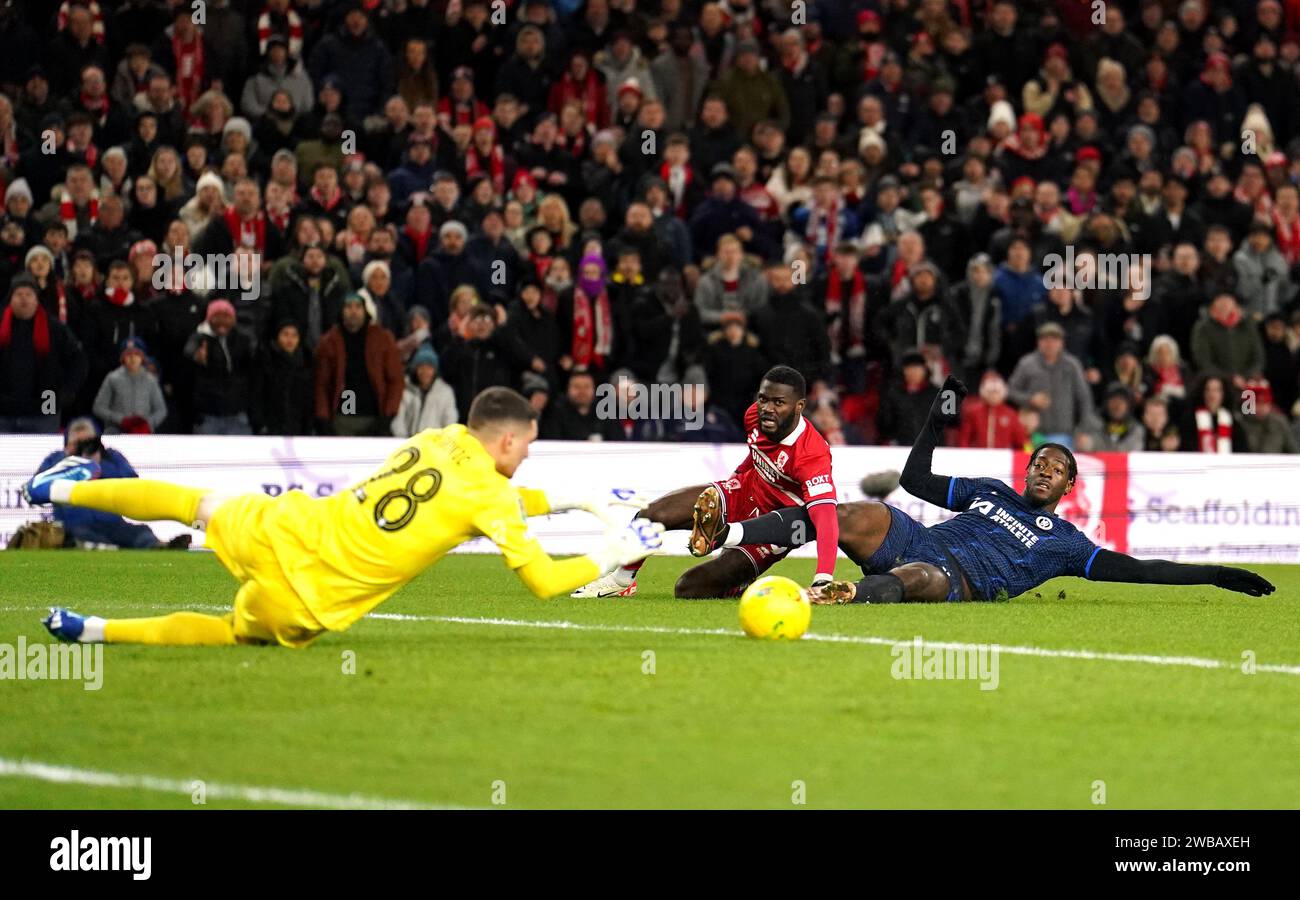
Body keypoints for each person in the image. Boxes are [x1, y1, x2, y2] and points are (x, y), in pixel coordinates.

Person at [32, 388, 665, 648]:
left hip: (287, 525)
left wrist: (578, 500)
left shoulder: (438, 439)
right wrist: (618, 547)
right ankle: (95, 632)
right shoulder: (491, 496)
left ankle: (61, 490)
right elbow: (547, 583)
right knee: (233, 634)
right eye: (527, 445)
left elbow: (475, 506)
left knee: (189, 503)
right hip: (309, 597)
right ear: (505, 442)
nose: (527, 455)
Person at [702, 378, 1274, 604]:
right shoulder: (990, 492)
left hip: (958, 580)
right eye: (1038, 462)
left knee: (915, 581)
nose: (1042, 470)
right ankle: (733, 535)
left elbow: (1142, 569)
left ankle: (841, 595)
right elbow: (916, 482)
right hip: (915, 537)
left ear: (1068, 486)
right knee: (853, 511)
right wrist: (938, 419)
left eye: (1055, 468)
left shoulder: (1069, 546)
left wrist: (1216, 573)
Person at [570, 365, 839, 599]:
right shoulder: (754, 416)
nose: (767, 409)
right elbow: (756, 453)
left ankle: (738, 581)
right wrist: (735, 478)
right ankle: (621, 581)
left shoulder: (812, 454)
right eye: (763, 399)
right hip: (740, 494)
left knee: (689, 589)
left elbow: (826, 516)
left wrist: (823, 577)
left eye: (778, 402)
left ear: (799, 406)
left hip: (770, 526)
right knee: (652, 514)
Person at [33, 418, 189, 551]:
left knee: (139, 532)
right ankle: (114, 550)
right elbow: (36, 490)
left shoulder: (111, 457)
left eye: (89, 442)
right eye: (78, 443)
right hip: (75, 524)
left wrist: (99, 465)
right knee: (84, 538)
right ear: (68, 443)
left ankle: (158, 548)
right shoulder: (56, 459)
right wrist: (68, 462)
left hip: (111, 522)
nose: (84, 447)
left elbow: (132, 484)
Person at [391, 346, 458, 437]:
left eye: (429, 367)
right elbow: (398, 419)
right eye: (421, 367)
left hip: (433, 446)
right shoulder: (406, 390)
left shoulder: (445, 392)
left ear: (435, 370)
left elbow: (450, 421)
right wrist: (403, 440)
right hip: (408, 444)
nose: (425, 371)